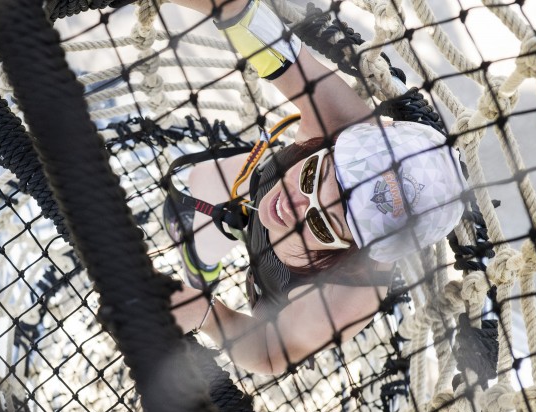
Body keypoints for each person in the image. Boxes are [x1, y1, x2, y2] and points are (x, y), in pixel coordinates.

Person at [164, 0, 467, 374]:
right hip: (253, 194)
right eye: (313, 177)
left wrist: (209, 314)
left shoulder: (347, 299)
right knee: (202, 184)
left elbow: (270, 353)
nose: (293, 207)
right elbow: (251, 24)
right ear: (334, 147)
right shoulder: (342, 124)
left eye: (324, 225)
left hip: (273, 290)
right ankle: (203, 259)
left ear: (355, 250)